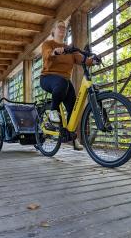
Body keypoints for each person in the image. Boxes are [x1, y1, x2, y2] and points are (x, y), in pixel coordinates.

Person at [40, 20, 95, 150]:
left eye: (64, 28)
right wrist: (55, 52)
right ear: (53, 30)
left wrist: (92, 60)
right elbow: (47, 55)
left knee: (73, 108)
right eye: (60, 27)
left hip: (64, 81)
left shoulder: (69, 49)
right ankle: (53, 111)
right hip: (48, 77)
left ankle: (72, 137)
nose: (62, 29)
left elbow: (82, 59)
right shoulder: (48, 44)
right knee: (62, 82)